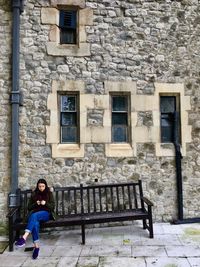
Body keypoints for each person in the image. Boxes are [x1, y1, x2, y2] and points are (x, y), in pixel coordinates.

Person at [15, 178, 55, 259]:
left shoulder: (49, 193)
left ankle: (24, 237)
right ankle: (36, 247)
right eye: (39, 186)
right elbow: (29, 207)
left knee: (34, 216)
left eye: (43, 186)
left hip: (46, 214)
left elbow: (52, 207)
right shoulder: (34, 194)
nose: (41, 188)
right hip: (35, 214)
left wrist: (46, 203)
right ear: (37, 186)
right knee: (35, 223)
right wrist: (35, 204)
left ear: (45, 186)